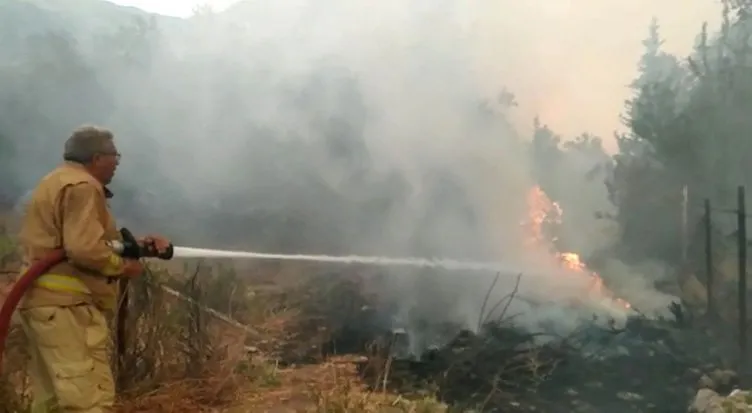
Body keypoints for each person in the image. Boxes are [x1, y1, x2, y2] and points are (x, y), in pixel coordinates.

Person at [16, 125, 171, 413]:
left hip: (44, 306)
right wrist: (122, 267)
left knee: (51, 401)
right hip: (68, 309)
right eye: (116, 157)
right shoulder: (84, 186)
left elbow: (78, 241)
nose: (117, 164)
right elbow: (84, 249)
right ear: (98, 157)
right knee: (88, 400)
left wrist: (137, 245)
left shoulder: (55, 181)